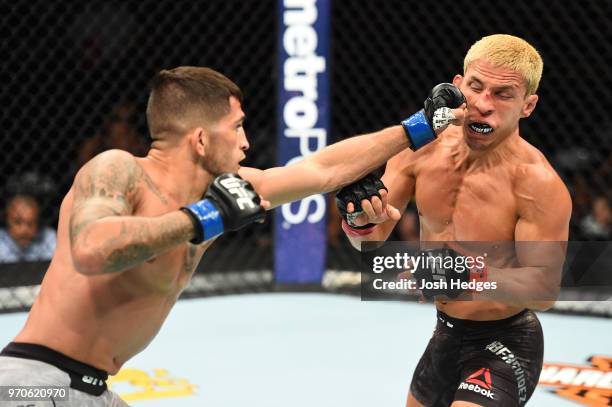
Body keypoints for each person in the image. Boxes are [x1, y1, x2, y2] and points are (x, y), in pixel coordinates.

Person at [0, 66, 465, 406]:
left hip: (93, 389)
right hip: (33, 381)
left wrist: (418, 128)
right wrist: (203, 218)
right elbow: (92, 248)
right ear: (201, 140)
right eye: (237, 127)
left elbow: (320, 169)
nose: (246, 142)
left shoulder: (224, 191)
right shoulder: (118, 170)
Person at [336, 35, 571, 406]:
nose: (482, 105)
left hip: (507, 342)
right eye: (476, 87)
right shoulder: (421, 150)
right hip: (445, 334)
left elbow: (544, 289)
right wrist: (357, 218)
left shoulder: (537, 184)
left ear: (528, 106)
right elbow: (371, 238)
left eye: (503, 94)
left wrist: (466, 273)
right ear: (458, 86)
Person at [0, 194, 56, 263]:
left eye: (30, 223)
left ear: (38, 223)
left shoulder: (48, 237)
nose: (24, 230)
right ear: (6, 220)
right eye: (17, 222)